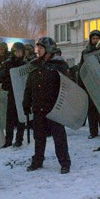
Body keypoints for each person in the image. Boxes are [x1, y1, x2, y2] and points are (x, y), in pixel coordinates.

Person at [23, 37, 71, 174]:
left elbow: (68, 85)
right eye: (38, 48)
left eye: (41, 48)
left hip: (54, 107)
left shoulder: (59, 65)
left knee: (59, 137)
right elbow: (29, 86)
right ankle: (37, 160)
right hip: (38, 106)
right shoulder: (35, 65)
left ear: (48, 49)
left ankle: (64, 162)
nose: (38, 50)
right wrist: (26, 102)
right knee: (39, 136)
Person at [0, 42, 26, 148]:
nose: (18, 54)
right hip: (12, 93)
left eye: (20, 51)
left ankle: (19, 139)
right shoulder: (8, 63)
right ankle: (8, 139)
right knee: (10, 118)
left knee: (20, 118)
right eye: (16, 51)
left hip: (21, 93)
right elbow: (1, 76)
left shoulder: (25, 64)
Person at [78, 30, 100, 139]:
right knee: (91, 110)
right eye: (94, 38)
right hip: (90, 83)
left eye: (97, 38)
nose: (95, 40)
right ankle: (93, 131)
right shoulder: (85, 52)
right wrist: (81, 84)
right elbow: (82, 68)